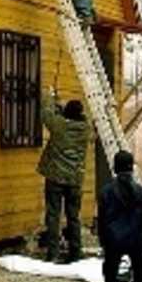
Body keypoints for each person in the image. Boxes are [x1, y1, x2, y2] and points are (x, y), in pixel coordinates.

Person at [37, 90, 89, 263]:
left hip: (55, 177)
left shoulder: (60, 126)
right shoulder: (85, 129)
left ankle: (53, 253)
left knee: (53, 215)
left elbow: (45, 113)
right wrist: (59, 104)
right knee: (73, 216)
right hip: (75, 179)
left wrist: (50, 97)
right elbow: (63, 115)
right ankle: (76, 252)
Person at [97, 150, 142, 282]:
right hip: (136, 238)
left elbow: (102, 219)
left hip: (113, 237)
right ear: (132, 168)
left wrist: (102, 239)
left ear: (115, 168)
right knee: (139, 266)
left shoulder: (106, 192)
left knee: (110, 264)